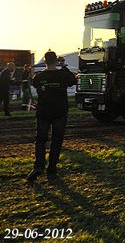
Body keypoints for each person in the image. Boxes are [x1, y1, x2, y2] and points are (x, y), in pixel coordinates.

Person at [26, 51, 77, 182]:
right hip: (59, 111)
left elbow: (35, 84)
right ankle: (52, 170)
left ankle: (38, 166)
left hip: (43, 112)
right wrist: (64, 66)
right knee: (56, 141)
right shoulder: (62, 75)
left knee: (41, 140)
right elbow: (73, 80)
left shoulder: (39, 76)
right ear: (57, 61)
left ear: (44, 61)